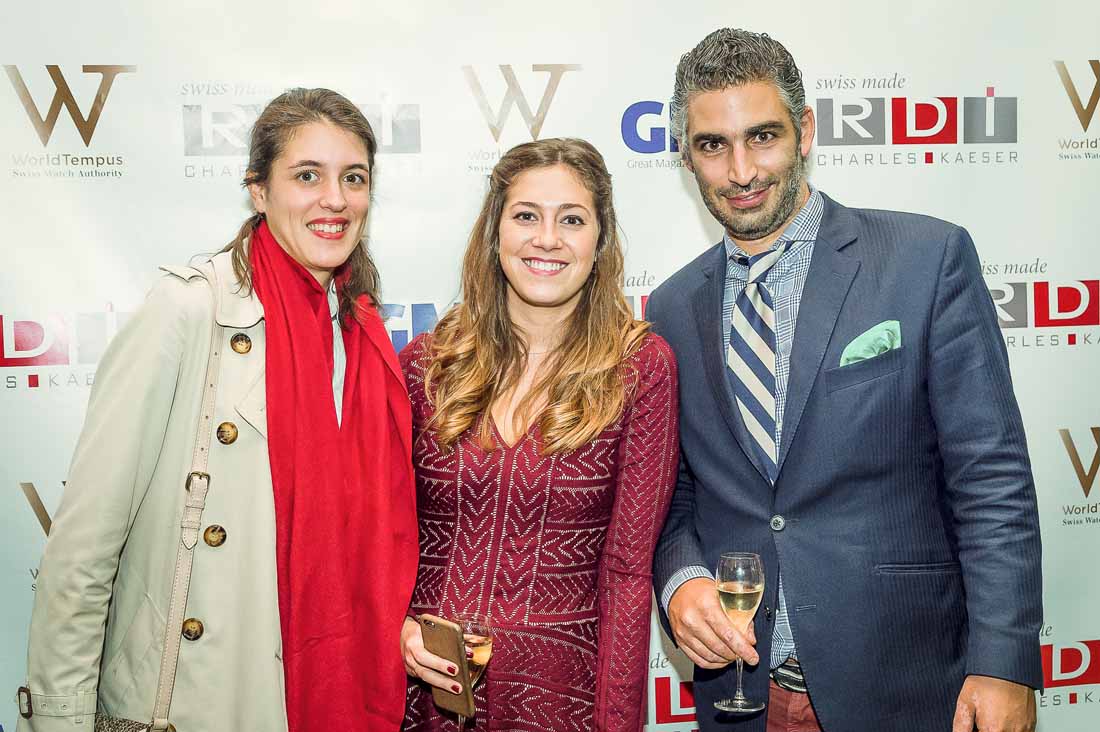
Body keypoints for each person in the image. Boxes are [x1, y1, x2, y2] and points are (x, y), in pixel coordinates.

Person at [648, 28, 1042, 732]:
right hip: (744, 695)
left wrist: (1004, 662)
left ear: (804, 131)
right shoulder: (671, 308)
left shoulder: (925, 260)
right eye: (713, 145)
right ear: (686, 155)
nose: (741, 170)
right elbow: (670, 494)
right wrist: (681, 581)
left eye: (762, 136)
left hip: (909, 688)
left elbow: (991, 475)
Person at [15, 88, 417, 732]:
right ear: (258, 190)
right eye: (306, 176)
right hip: (210, 698)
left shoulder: (362, 335)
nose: (335, 199)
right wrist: (61, 717)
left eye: (353, 178)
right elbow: (85, 546)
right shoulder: (191, 310)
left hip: (332, 686)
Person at [399, 138, 679, 731]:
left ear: (600, 241)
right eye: (526, 216)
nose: (547, 239)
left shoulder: (638, 369)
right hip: (422, 694)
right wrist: (394, 630)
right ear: (494, 232)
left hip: (562, 697)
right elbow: (377, 536)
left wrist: (617, 723)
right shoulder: (427, 365)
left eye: (571, 220)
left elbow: (627, 574)